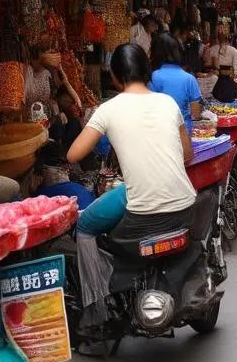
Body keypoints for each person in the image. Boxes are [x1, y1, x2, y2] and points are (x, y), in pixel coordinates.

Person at [66, 43, 196, 243]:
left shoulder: (107, 109)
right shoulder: (168, 103)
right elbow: (187, 155)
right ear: (147, 70)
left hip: (142, 215)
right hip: (186, 206)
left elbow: (73, 155)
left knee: (83, 226)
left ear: (115, 77)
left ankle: (94, 276)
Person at [149, 32, 203, 129]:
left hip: (160, 130)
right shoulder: (189, 78)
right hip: (184, 132)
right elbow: (196, 113)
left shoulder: (153, 76)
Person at [25, 37, 81, 123]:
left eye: (53, 50)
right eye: (48, 51)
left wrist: (76, 99)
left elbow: (64, 81)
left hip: (47, 113)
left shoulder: (50, 70)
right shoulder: (29, 70)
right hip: (31, 114)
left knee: (73, 122)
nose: (53, 55)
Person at [207, 26, 237, 102]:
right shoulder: (233, 51)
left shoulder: (212, 49)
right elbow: (236, 70)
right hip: (227, 84)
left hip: (215, 84)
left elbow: (207, 65)